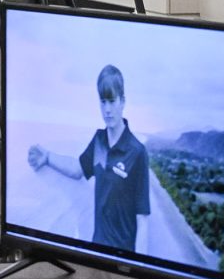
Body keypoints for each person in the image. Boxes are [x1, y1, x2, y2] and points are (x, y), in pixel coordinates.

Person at [28, 64, 151, 253]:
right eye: (103, 102)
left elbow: (142, 219)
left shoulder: (137, 152)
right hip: (97, 249)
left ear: (123, 101)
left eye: (112, 101)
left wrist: (139, 269)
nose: (107, 109)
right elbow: (78, 168)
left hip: (123, 257)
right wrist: (48, 157)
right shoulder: (99, 141)